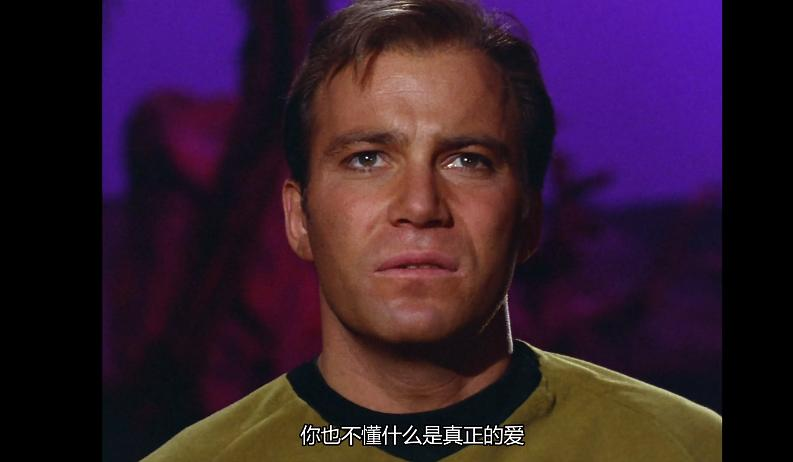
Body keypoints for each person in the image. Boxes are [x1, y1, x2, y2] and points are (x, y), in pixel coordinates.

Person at [142, 0, 722, 460]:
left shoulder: (689, 449)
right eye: (367, 159)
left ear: (529, 218)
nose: (419, 206)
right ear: (299, 218)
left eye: (467, 160)